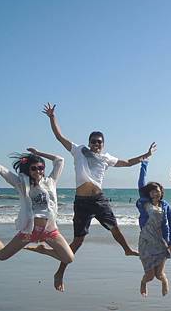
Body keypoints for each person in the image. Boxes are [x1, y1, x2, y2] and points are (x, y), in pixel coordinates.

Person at [42, 103, 153, 292]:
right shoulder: (79, 151)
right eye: (93, 141)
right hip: (82, 202)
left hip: (99, 199)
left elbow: (126, 163)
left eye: (99, 142)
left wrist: (146, 155)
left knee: (115, 228)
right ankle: (60, 271)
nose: (96, 144)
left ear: (103, 144)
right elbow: (60, 137)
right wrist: (52, 118)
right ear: (89, 142)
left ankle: (126, 249)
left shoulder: (106, 158)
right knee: (78, 241)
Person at [0, 146, 74, 264]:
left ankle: (43, 250)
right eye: (34, 168)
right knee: (2, 255)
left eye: (41, 168)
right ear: (28, 170)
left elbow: (59, 160)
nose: (38, 171)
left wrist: (38, 153)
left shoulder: (50, 182)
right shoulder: (21, 184)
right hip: (29, 232)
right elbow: (2, 171)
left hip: (49, 231)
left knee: (69, 258)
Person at [136, 149, 171, 297]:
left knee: (159, 274)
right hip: (146, 240)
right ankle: (143, 282)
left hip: (160, 241)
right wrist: (144, 163)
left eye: (157, 190)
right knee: (150, 275)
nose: (154, 193)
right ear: (148, 193)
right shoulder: (144, 203)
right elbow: (141, 183)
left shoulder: (166, 206)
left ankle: (165, 282)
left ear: (161, 191)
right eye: (152, 191)